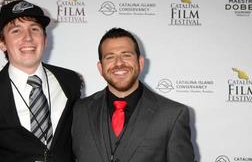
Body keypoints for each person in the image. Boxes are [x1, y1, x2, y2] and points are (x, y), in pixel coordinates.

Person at [0, 0, 82, 162]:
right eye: (16, 31)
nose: (28, 37)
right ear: (2, 43)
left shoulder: (70, 81)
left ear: (45, 39)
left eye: (34, 29)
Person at [72, 28, 195, 162]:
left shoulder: (173, 115)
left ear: (140, 63)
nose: (119, 63)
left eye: (126, 55)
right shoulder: (79, 110)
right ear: (100, 68)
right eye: (110, 57)